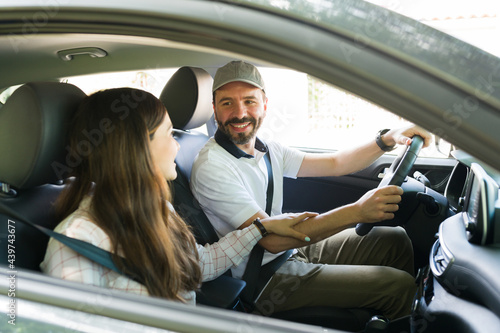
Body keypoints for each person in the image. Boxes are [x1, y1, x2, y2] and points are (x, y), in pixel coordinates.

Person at [190, 60, 433, 319]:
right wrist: (358, 212)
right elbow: (271, 240)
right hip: (262, 279)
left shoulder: (267, 148)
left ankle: (381, 321)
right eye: (228, 103)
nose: (240, 113)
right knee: (398, 287)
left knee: (394, 241)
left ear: (264, 105)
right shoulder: (212, 166)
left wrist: (387, 138)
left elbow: (337, 163)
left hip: (291, 251)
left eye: (249, 101)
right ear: (214, 108)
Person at [40, 87, 317, 304]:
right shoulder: (77, 242)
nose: (176, 145)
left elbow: (200, 265)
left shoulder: (157, 208)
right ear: (137, 148)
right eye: (169, 134)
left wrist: (260, 228)